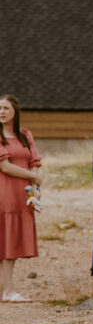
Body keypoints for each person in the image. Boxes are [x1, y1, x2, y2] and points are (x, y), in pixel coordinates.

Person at [0, 94, 43, 303]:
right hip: (4, 192)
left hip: (23, 194)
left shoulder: (25, 135)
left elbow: (34, 159)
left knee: (14, 241)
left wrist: (34, 187)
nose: (1, 111)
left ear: (15, 111)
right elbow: (5, 166)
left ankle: (4, 289)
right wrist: (33, 176)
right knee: (6, 242)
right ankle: (8, 290)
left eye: (6, 108)